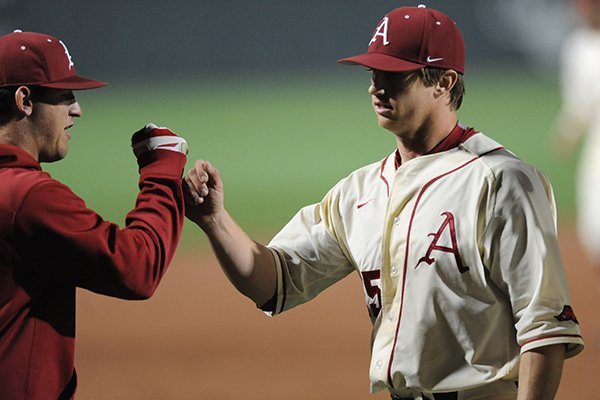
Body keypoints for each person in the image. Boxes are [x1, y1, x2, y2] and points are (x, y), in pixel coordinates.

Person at [184, 5, 584, 400]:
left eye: (395, 75)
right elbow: (273, 282)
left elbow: (545, 329)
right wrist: (215, 220)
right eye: (374, 72)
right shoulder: (359, 192)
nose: (377, 86)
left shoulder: (502, 182)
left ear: (443, 82)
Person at [0, 31, 188, 399]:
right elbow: (136, 268)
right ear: (25, 100)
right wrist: (162, 172)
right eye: (65, 95)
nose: (77, 110)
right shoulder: (27, 196)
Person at [550, 0, 600, 279]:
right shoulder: (577, 47)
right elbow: (580, 104)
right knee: (594, 228)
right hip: (596, 144)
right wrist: (568, 131)